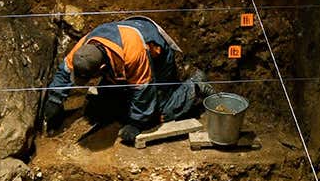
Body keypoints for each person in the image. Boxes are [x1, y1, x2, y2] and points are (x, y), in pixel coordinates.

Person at [40, 16, 212, 145]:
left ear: (100, 69)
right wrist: (55, 100)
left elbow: (144, 91)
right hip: (121, 49)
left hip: (155, 54)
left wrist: (137, 123)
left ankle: (194, 85)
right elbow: (65, 71)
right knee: (106, 107)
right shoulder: (85, 48)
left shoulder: (134, 55)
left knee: (157, 115)